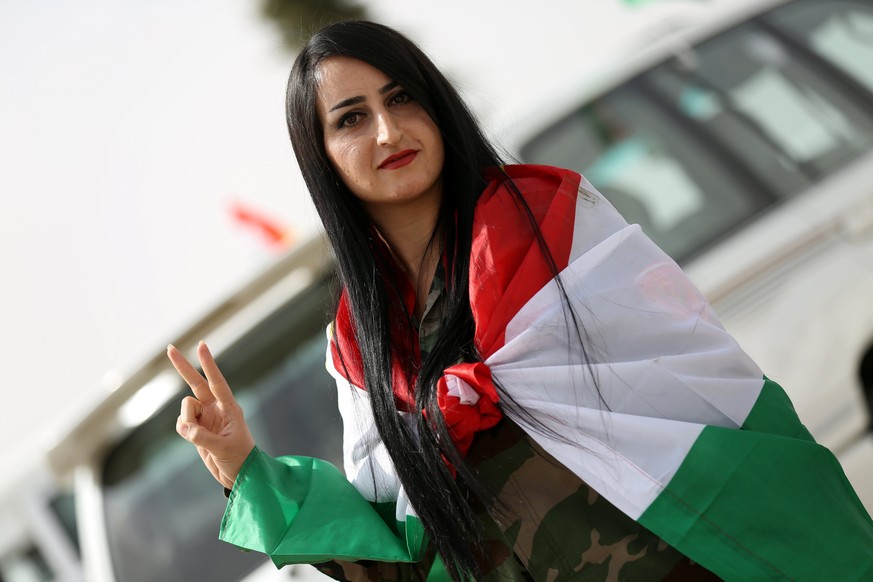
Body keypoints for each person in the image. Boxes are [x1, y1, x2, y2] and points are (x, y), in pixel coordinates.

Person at [167, 20, 873, 582]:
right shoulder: (360, 344)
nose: (387, 131)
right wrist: (244, 469)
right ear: (321, 156)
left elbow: (705, 387)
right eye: (350, 118)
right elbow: (401, 561)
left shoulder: (548, 219)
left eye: (401, 97)